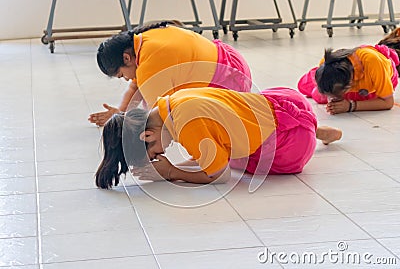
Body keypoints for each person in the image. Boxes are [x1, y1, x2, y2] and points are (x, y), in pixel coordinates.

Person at [95, 87, 342, 189]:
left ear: (147, 134)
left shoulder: (187, 126)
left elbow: (221, 176)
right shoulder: (169, 103)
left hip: (291, 146)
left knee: (238, 162)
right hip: (288, 102)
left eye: (155, 153)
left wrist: (172, 174)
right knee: (232, 128)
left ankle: (310, 132)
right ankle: (315, 127)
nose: (162, 154)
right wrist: (170, 170)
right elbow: (205, 153)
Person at [88, 21, 252, 126]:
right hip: (232, 61)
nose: (126, 79)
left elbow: (158, 119)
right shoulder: (144, 38)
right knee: (149, 92)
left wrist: (125, 122)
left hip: (230, 84)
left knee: (164, 109)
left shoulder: (149, 66)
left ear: (126, 58)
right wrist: (121, 113)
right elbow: (135, 87)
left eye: (122, 75)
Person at [297, 45, 398, 115]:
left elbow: (388, 102)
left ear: (350, 84)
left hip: (373, 82)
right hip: (347, 78)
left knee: (319, 97)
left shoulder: (374, 65)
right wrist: (331, 99)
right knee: (304, 88)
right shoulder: (326, 63)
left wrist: (351, 106)